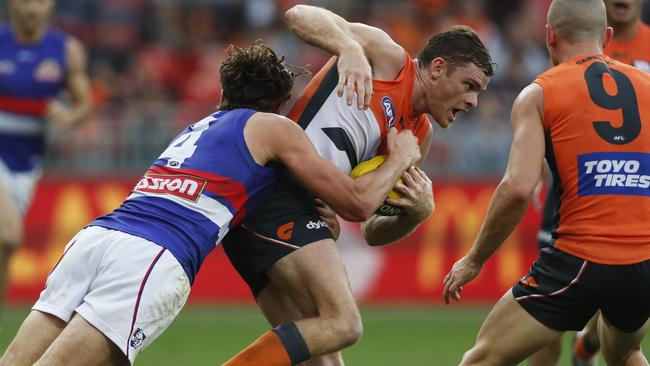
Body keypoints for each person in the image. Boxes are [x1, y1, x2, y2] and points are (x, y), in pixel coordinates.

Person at [0, 42, 421, 366]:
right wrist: (401, 156)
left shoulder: (198, 125)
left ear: (223, 90)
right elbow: (358, 203)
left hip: (96, 239)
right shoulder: (273, 127)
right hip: (153, 253)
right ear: (279, 103)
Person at [222, 5, 494, 366]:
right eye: (469, 86)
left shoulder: (419, 137)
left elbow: (371, 231)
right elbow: (298, 14)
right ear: (438, 68)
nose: (473, 101)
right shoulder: (389, 59)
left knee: (323, 360)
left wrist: (415, 214)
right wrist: (348, 47)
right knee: (344, 324)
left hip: (287, 207)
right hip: (275, 187)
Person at [443, 0, 650, 365]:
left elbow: (518, 188)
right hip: (644, 264)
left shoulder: (539, 93)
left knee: (481, 359)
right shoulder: (647, 84)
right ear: (606, 36)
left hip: (581, 260)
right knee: (627, 353)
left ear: (550, 36)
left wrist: (474, 260)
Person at [528, 1, 650, 365]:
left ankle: (588, 346)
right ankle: (587, 345)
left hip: (634, 194)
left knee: (614, 306)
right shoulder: (580, 40)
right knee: (547, 321)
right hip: (576, 193)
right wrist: (534, 168)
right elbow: (546, 117)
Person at [0, 0, 92, 320]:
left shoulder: (66, 50)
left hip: (26, 164)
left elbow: (84, 104)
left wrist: (67, 117)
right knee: (7, 235)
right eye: (25, 0)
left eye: (39, 1)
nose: (31, 9)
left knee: (4, 248)